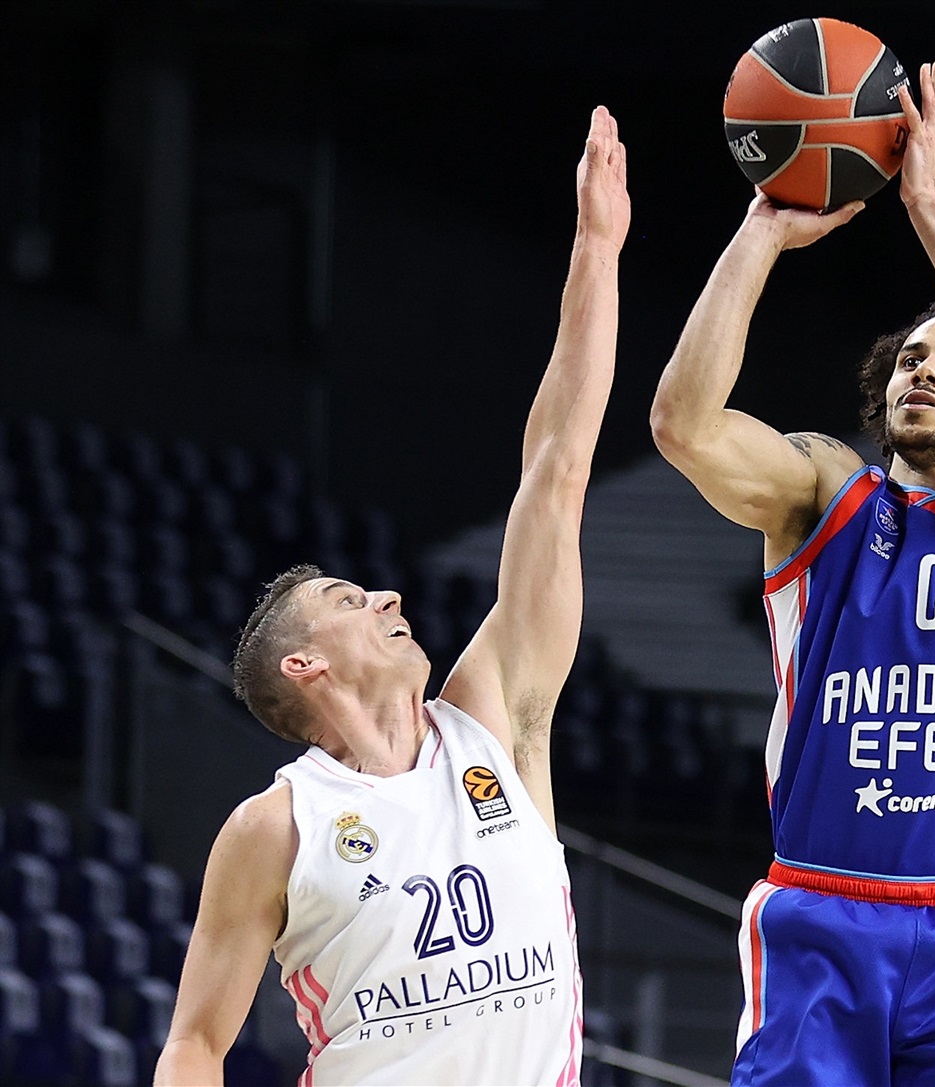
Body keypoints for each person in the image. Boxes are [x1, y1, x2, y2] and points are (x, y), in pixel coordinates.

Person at [650, 61, 935, 1085]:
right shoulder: (826, 494)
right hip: (820, 911)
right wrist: (762, 231)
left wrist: (929, 212)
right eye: (910, 358)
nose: (924, 368)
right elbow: (681, 425)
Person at [154, 105, 630, 1087]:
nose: (384, 595)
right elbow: (196, 1044)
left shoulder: (494, 722)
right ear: (304, 663)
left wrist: (596, 250)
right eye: (347, 599)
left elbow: (558, 473)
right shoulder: (276, 827)